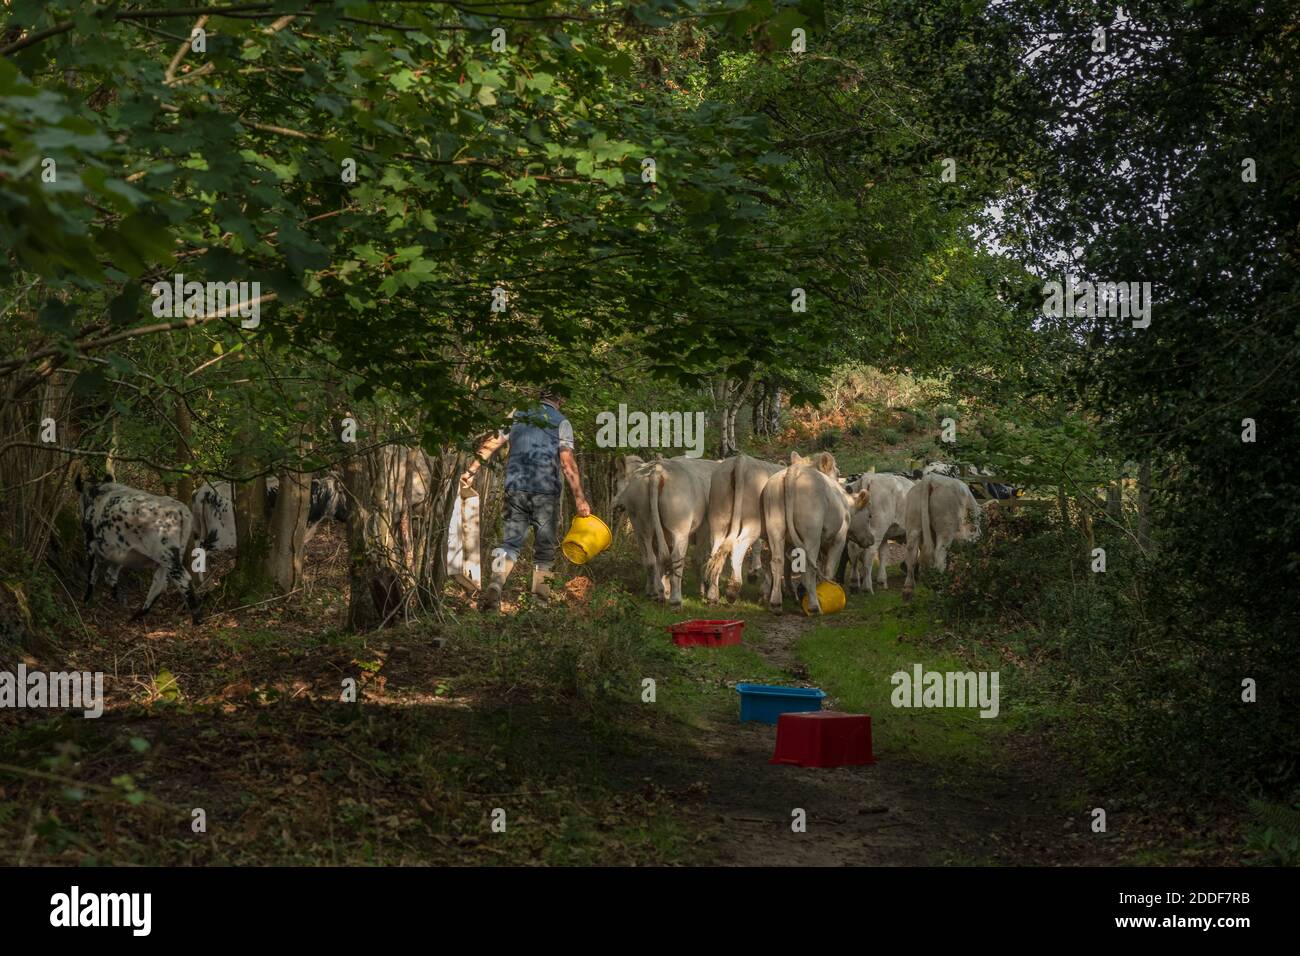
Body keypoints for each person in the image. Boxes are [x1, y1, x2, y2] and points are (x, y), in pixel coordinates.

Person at [461, 389, 591, 612]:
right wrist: (580, 498)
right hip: (546, 493)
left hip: (516, 488)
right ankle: (539, 603)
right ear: (560, 399)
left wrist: (471, 471)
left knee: (509, 543)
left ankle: (495, 584)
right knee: (544, 550)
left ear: (540, 396)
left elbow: (493, 442)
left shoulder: (518, 414)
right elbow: (568, 465)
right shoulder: (562, 423)